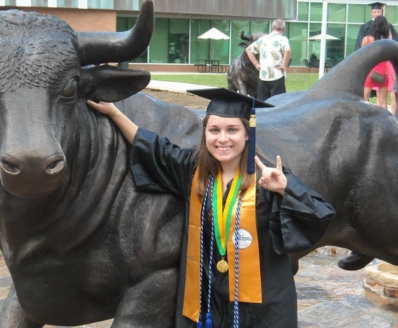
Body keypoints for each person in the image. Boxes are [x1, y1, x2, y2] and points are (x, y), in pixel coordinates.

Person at [86, 88, 334, 328]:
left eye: (232, 130)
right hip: (208, 295)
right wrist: (114, 113)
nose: (222, 138)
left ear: (248, 134)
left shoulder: (267, 179)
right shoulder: (194, 171)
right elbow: (154, 149)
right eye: (214, 130)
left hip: (262, 303)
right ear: (205, 134)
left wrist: (284, 189)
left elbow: (318, 215)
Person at [245, 19, 291, 101]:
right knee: (278, 102)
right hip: (277, 74)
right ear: (284, 29)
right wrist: (284, 65)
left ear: (272, 28)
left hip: (263, 75)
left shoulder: (263, 39)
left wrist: (256, 64)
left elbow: (248, 50)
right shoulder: (282, 39)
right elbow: (287, 50)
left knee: (263, 103)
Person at [362, 15, 391, 110]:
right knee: (383, 101)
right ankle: (383, 122)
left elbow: (362, 55)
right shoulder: (387, 40)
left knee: (364, 99)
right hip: (384, 72)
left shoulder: (367, 39)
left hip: (370, 71)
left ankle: (362, 120)